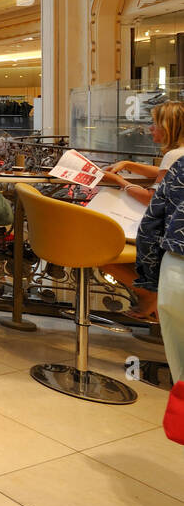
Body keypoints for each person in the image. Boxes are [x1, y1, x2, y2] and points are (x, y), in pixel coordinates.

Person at [99, 100, 184, 320]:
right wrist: (129, 165)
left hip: (166, 239)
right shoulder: (178, 155)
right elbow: (164, 172)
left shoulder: (173, 155)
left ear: (169, 128)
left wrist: (118, 180)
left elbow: (152, 198)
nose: (150, 129)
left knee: (100, 251)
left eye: (155, 123)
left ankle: (149, 293)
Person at [133, 158, 184, 382]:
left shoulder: (181, 165)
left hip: (177, 268)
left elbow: (150, 228)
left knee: (181, 377)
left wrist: (151, 282)